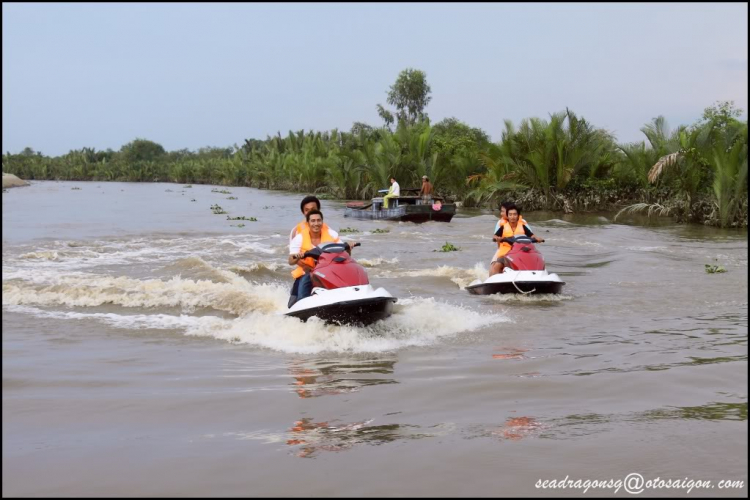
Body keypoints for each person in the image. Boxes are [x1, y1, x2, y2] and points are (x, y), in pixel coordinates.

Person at [288, 210, 341, 305]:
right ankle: (302, 303)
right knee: (302, 290)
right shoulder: (299, 238)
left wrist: (349, 247)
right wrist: (298, 257)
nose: (316, 224)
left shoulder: (331, 234)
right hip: (308, 272)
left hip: (328, 272)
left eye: (319, 220)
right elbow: (290, 261)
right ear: (308, 223)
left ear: (322, 222)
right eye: (313, 221)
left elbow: (343, 251)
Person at [489, 204, 544, 276]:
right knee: (497, 265)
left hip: (519, 250)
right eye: (510, 214)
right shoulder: (503, 227)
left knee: (535, 258)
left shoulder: (523, 226)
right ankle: (493, 281)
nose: (512, 217)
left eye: (515, 214)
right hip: (506, 251)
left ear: (518, 215)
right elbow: (495, 235)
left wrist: (537, 239)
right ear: (507, 216)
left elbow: (531, 235)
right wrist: (497, 238)